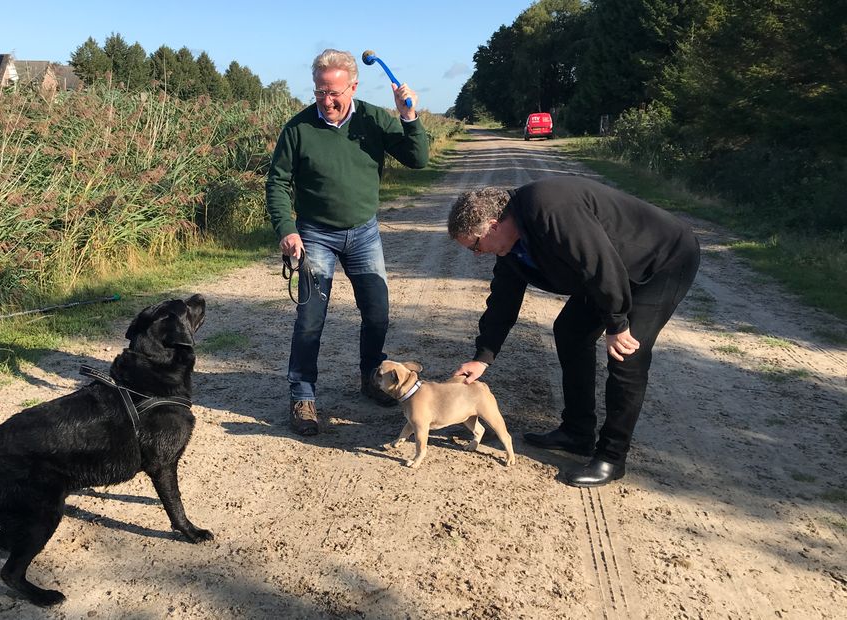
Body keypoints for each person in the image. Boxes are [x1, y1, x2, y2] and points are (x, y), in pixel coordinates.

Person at [447, 176, 700, 487]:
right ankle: (577, 432)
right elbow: (503, 300)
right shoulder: (510, 248)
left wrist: (617, 322)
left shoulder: (548, 207)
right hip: (611, 271)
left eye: (475, 245)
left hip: (660, 260)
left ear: (493, 225)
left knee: (626, 356)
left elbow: (598, 261)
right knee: (570, 330)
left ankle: (611, 457)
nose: (476, 254)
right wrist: (483, 356)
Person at [265, 49, 430, 436]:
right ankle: (302, 396)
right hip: (314, 234)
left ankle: (372, 379)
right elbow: (277, 183)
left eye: (335, 92)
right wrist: (286, 228)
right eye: (320, 91)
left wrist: (408, 117)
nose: (327, 100)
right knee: (310, 318)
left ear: (353, 86)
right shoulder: (298, 128)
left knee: (377, 312)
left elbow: (418, 159)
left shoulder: (373, 119)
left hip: (363, 231)